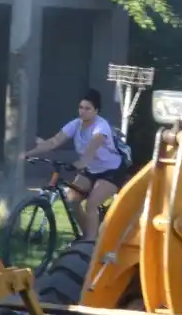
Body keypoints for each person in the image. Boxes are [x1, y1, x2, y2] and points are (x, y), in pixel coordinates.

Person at [23, 88, 126, 241]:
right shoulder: (76, 124)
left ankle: (90, 245)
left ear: (96, 111)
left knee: (91, 204)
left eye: (87, 109)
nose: (83, 112)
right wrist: (27, 154)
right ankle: (88, 236)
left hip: (111, 171)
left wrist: (79, 163)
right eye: (81, 108)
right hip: (92, 170)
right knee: (72, 199)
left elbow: (90, 150)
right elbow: (54, 141)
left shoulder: (100, 127)